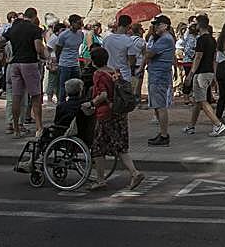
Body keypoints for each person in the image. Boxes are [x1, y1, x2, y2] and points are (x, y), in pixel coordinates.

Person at [83, 46, 145, 192]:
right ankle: (133, 172)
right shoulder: (114, 71)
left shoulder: (98, 74)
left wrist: (91, 103)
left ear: (93, 61)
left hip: (105, 114)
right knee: (121, 146)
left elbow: (103, 95)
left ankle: (101, 179)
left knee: (98, 147)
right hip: (119, 113)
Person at [5, 8, 46, 138]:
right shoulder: (35, 29)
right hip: (29, 63)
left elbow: (0, 41)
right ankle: (39, 128)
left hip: (15, 64)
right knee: (35, 96)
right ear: (34, 17)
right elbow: (38, 48)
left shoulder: (14, 28)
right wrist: (45, 55)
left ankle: (16, 128)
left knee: (16, 96)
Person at [183, 15, 225, 136]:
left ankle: (218, 125)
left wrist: (190, 74)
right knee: (198, 100)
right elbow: (213, 59)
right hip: (208, 72)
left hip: (201, 73)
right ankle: (191, 126)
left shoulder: (201, 39)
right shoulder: (212, 40)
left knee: (202, 100)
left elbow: (198, 57)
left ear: (199, 25)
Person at [144, 15, 175, 146]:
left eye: (158, 24)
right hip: (157, 75)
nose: (155, 27)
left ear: (165, 26)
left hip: (159, 76)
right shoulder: (162, 39)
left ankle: (164, 135)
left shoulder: (165, 39)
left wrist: (144, 49)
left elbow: (149, 54)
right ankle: (162, 133)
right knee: (157, 106)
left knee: (160, 106)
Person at [50, 15, 85, 102]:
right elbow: (58, 49)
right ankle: (61, 103)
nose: (81, 25)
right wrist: (58, 61)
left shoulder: (81, 34)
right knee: (63, 86)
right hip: (65, 64)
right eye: (78, 23)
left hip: (75, 64)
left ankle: (75, 103)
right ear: (72, 23)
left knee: (77, 85)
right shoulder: (63, 35)